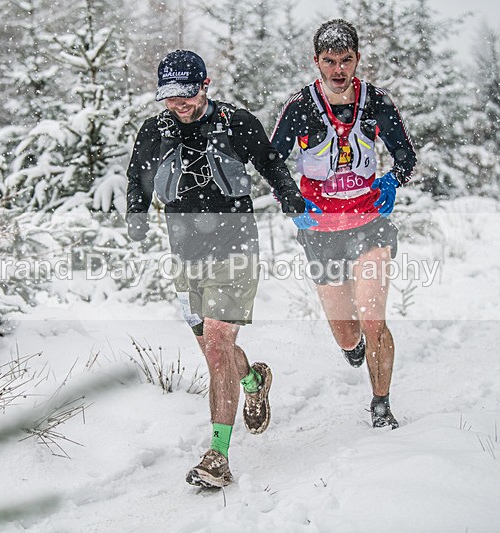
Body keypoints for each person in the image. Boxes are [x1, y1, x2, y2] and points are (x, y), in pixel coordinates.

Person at [125, 50, 312, 488]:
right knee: (216, 352)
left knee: (216, 345)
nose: (179, 103)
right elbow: (138, 176)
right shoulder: (154, 130)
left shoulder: (236, 123)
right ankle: (254, 379)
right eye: (170, 96)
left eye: (187, 93)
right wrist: (136, 212)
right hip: (185, 254)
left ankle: (218, 456)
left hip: (235, 247)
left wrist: (290, 197)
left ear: (205, 85)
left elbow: (270, 164)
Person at [271, 19, 416, 430]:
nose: (339, 70)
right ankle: (354, 348)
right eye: (330, 61)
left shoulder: (376, 103)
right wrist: (290, 200)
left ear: (357, 59)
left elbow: (406, 155)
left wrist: (393, 180)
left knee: (373, 319)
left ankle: (381, 404)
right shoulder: (300, 107)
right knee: (348, 333)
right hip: (321, 230)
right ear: (316, 61)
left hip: (369, 224)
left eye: (346, 60)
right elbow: (272, 161)